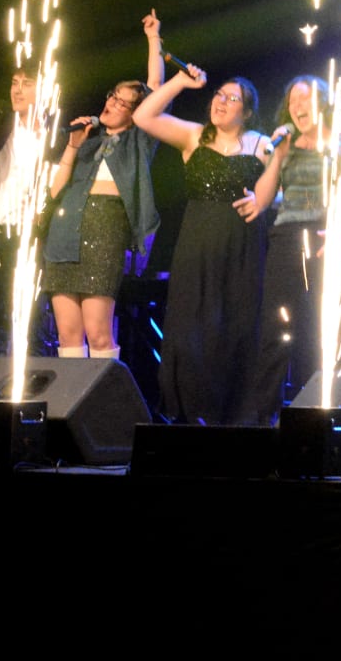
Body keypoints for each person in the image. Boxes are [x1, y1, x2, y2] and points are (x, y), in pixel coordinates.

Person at [133, 62, 278, 424]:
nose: (222, 102)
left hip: (243, 246)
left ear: (247, 111)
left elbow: (281, 195)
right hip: (197, 243)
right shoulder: (195, 136)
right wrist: (181, 81)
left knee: (236, 326)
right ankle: (187, 413)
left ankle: (235, 418)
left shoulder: (262, 145)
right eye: (219, 95)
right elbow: (143, 116)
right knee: (190, 329)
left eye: (232, 98)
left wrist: (263, 201)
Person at [250, 75, 341, 420]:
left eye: (304, 99)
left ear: (322, 103)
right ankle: (265, 422)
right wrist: (277, 157)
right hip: (286, 240)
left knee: (334, 334)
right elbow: (261, 201)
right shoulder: (284, 146)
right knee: (276, 332)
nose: (297, 107)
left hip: (329, 239)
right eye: (292, 101)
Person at [42, 10, 165, 361]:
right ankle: (68, 413)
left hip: (106, 230)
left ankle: (104, 410)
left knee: (97, 331)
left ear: (135, 112)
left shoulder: (139, 141)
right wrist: (73, 145)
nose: (114, 104)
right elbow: (54, 193)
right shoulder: (88, 141)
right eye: (114, 96)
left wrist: (153, 38)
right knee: (67, 333)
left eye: (126, 102)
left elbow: (156, 91)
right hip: (64, 234)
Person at [0, 64, 40, 349]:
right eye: (14, 82)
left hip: (21, 235)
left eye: (27, 83)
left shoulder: (52, 136)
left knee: (19, 319)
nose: (17, 89)